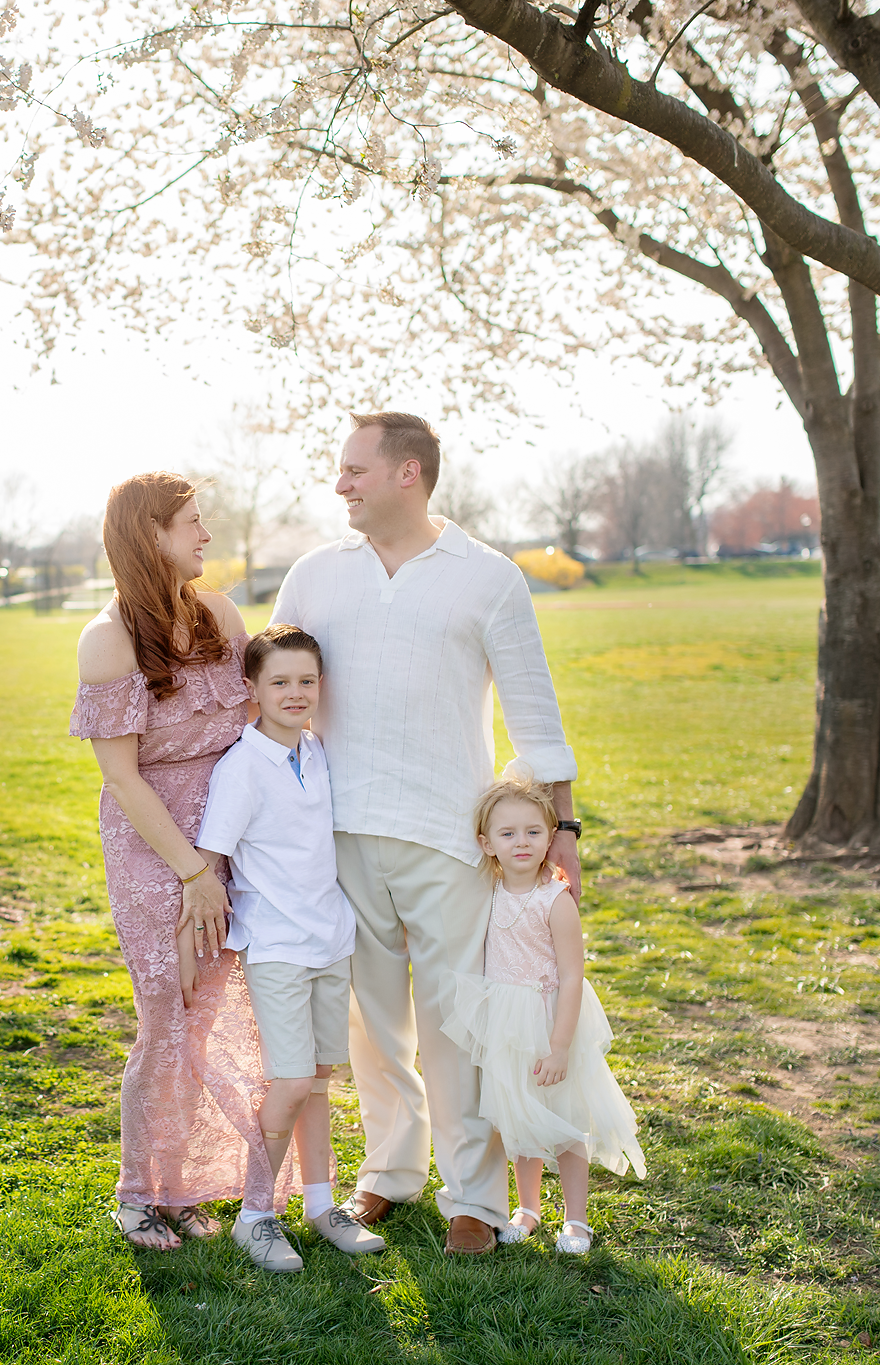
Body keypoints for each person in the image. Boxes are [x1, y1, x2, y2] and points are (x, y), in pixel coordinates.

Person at [270, 410, 580, 1256]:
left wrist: (566, 823)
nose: (341, 483)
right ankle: (390, 1173)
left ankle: (474, 1197)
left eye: (354, 469)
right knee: (369, 1019)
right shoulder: (314, 574)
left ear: (408, 472)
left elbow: (533, 704)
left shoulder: (487, 576)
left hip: (450, 831)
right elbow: (268, 686)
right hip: (336, 830)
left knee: (455, 1019)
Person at [70, 472, 285, 1251]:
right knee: (166, 1020)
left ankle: (181, 1185)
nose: (205, 536)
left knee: (205, 1019)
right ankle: (136, 1195)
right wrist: (192, 872)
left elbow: (266, 712)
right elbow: (121, 776)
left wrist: (225, 857)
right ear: (149, 533)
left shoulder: (218, 611)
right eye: (192, 523)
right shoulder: (108, 637)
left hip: (230, 842)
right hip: (158, 854)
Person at [193, 624, 384, 1271]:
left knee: (321, 1079)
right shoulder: (242, 767)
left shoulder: (318, 751)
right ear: (253, 688)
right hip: (275, 942)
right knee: (292, 1077)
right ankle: (255, 1214)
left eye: (306, 680)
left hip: (331, 934)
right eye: (280, 681)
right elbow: (209, 856)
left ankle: (320, 1201)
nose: (295, 692)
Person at [443, 770, 646, 1255]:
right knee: (518, 1120)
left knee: (564, 1121)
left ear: (550, 837)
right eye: (508, 833)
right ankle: (528, 1208)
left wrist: (559, 1046)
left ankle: (576, 1219)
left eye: (534, 832)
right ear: (486, 843)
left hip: (550, 1018)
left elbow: (573, 976)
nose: (521, 842)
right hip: (506, 1024)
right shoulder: (486, 893)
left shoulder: (555, 899)